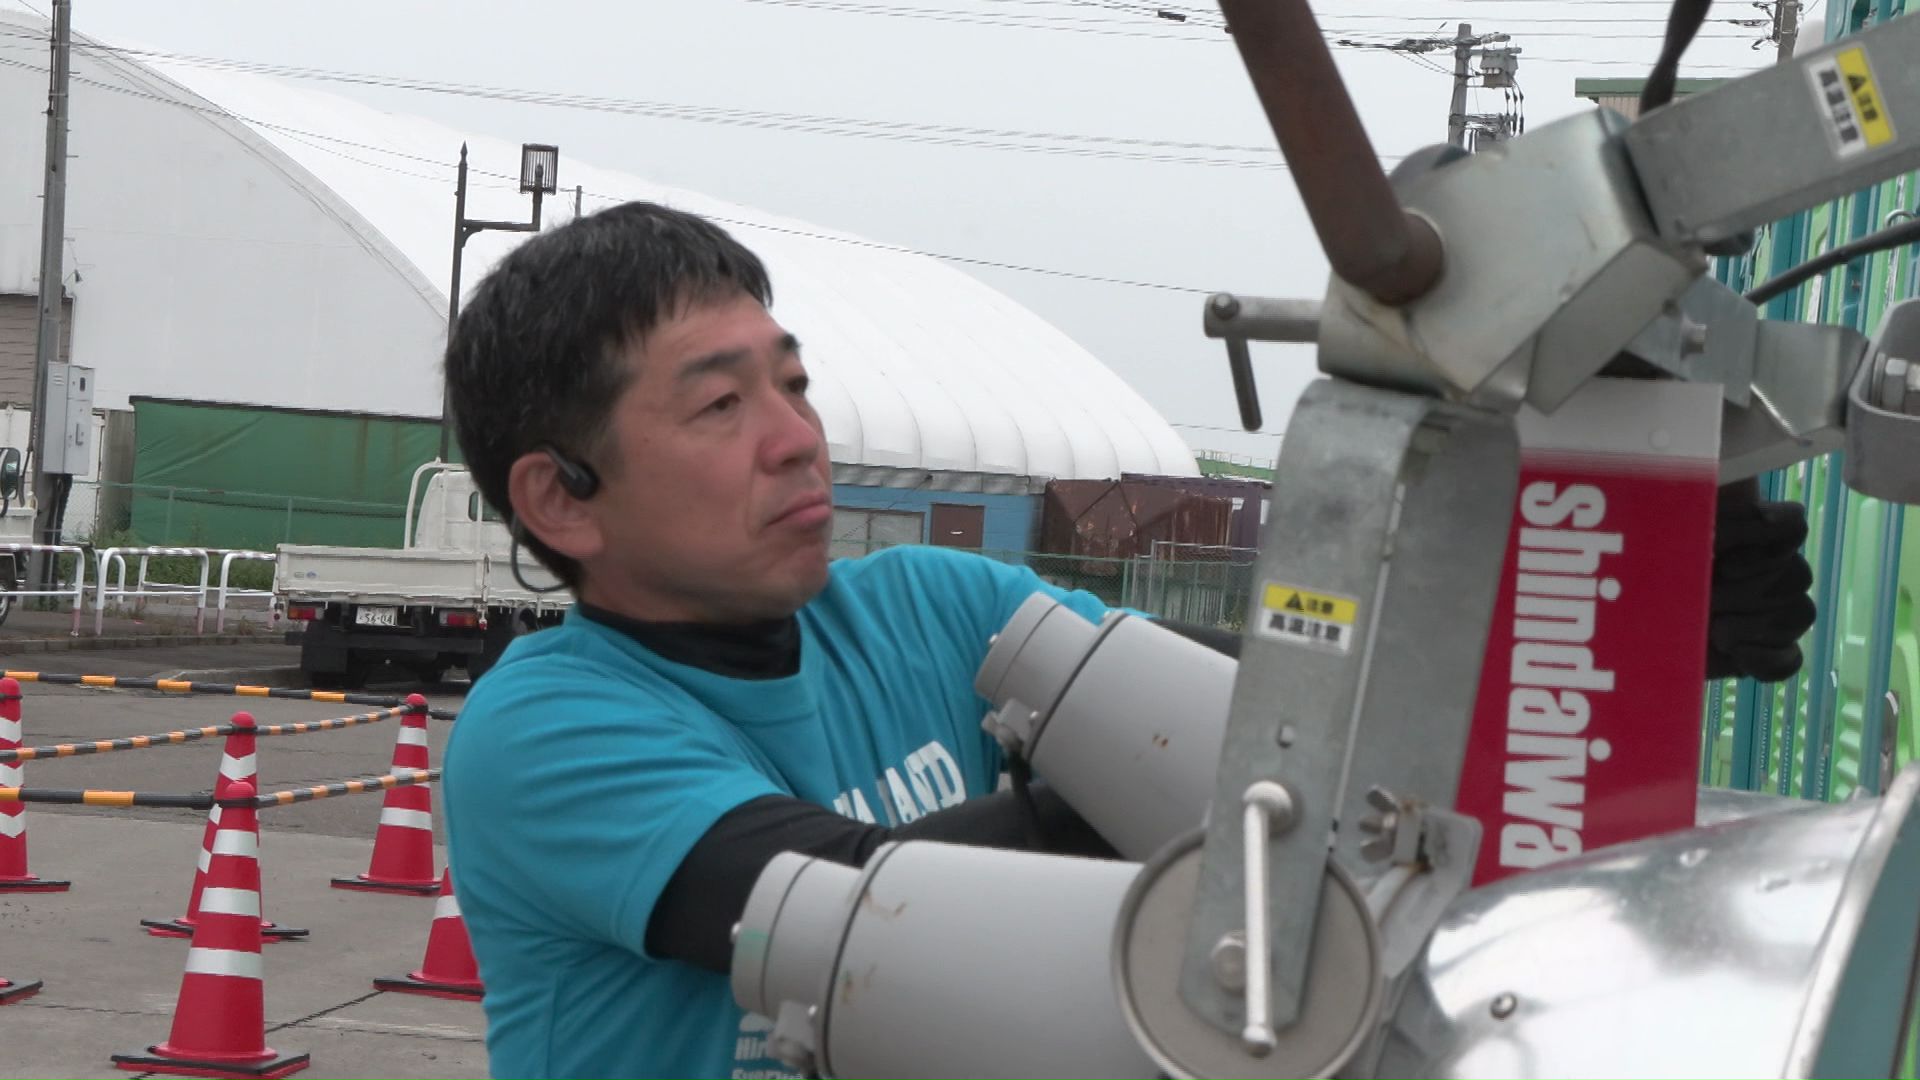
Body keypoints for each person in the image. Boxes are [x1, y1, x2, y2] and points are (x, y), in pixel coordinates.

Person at [438, 201, 1815, 1080]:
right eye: (720, 406)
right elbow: (866, 918)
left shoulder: (931, 606)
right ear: (563, 497)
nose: (798, 435)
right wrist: (1148, 801)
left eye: (791, 382)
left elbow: (1264, 735)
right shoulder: (546, 730)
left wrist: (1564, 633)